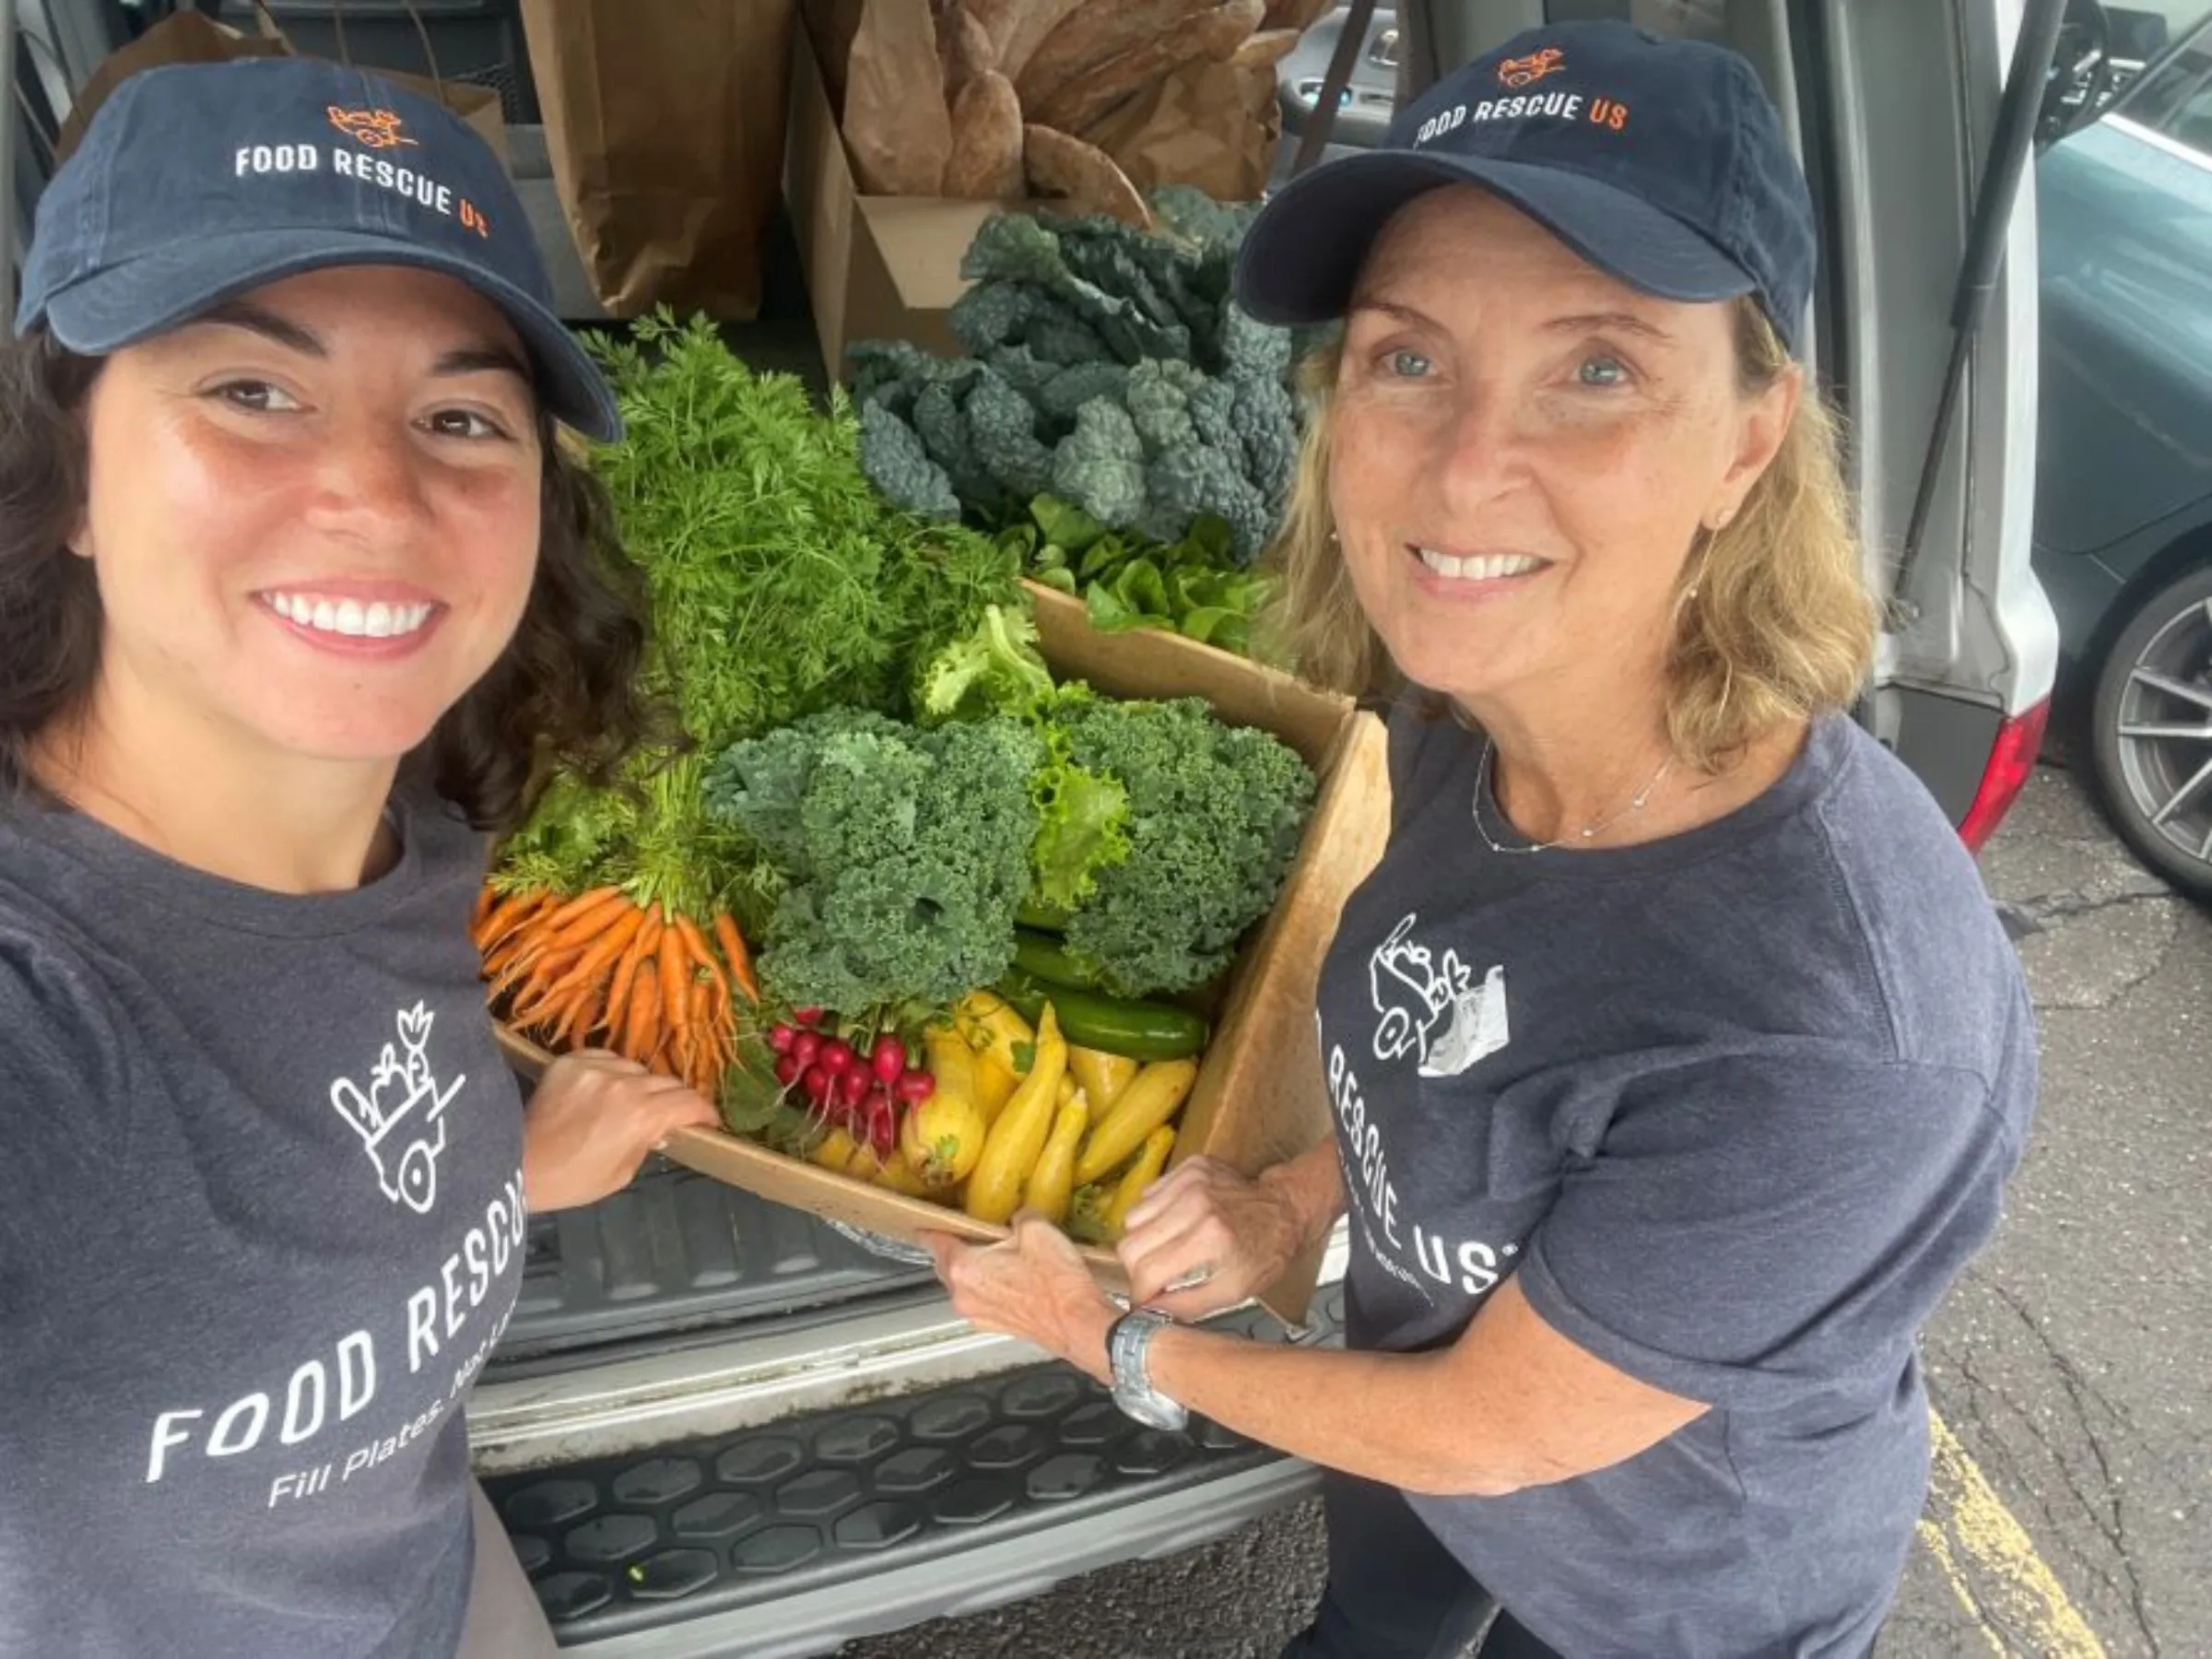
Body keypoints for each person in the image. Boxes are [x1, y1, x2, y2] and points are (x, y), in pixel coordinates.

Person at [925, 21, 2038, 1659]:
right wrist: (1297, 1209)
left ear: (1746, 437)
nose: (1464, 467)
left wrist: (1112, 1345)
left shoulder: (1834, 1030)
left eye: (1598, 368)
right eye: (1407, 356)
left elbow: (1503, 1428)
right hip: (1421, 1443)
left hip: (1666, 1593)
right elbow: (1447, 1074)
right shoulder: (1466, 712)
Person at [0, 56, 718, 1659]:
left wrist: (511, 1182)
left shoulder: (421, 832)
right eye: (254, 391)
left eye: (462, 417)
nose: (379, 496)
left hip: (438, 1594)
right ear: (71, 476)